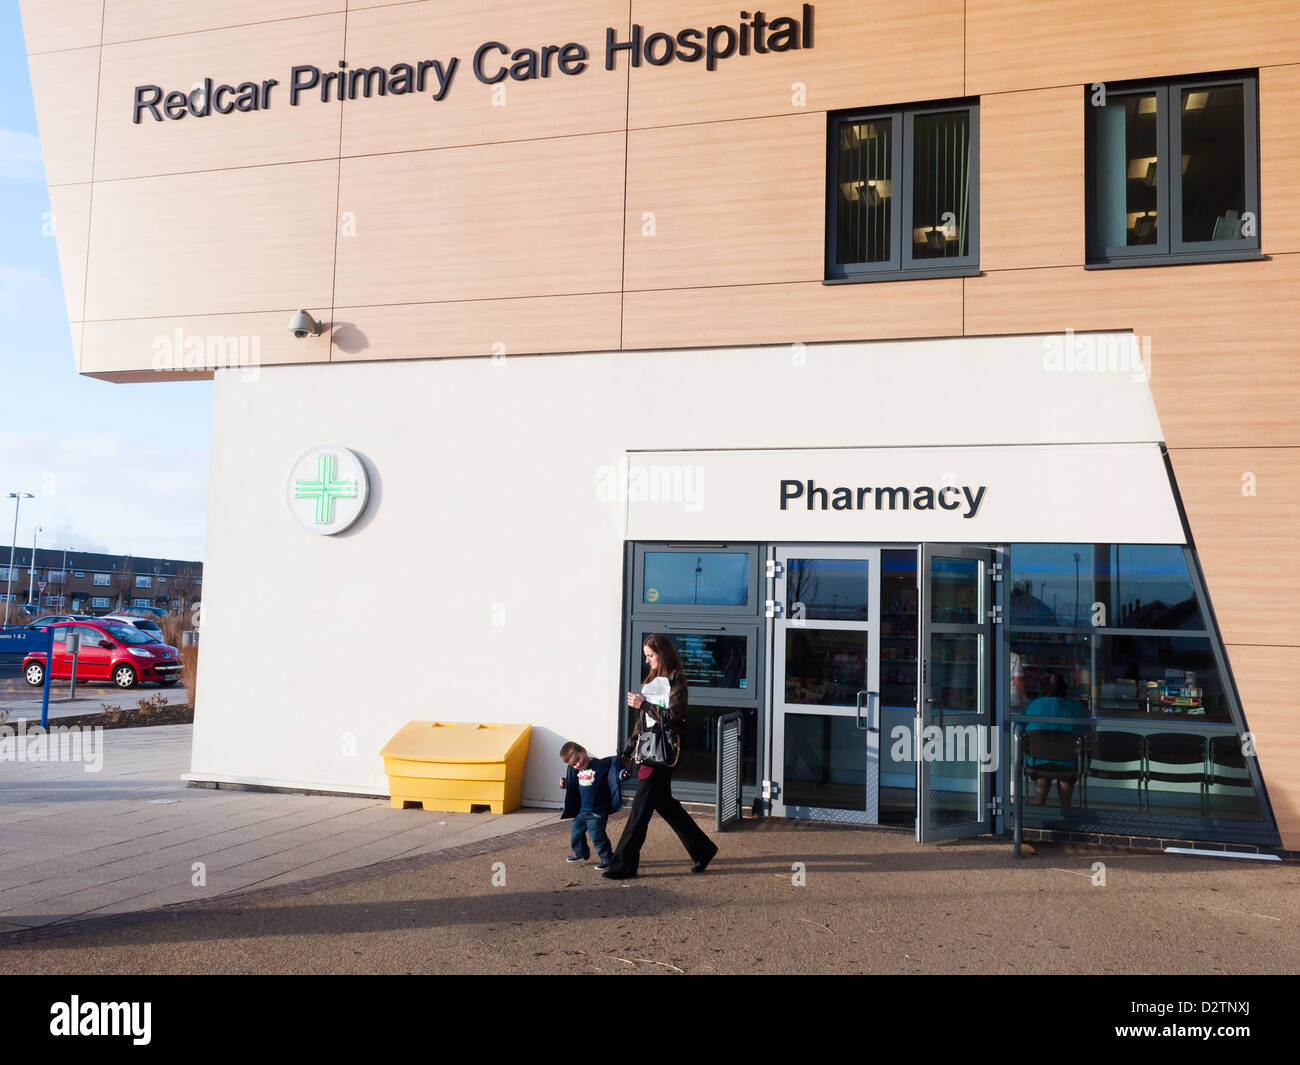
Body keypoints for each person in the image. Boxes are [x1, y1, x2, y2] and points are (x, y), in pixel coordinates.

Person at [602, 633, 718, 879]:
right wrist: (627, 749)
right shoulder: (652, 679)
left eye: (651, 656)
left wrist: (644, 704)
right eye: (646, 656)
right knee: (667, 806)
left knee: (640, 811)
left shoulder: (677, 680)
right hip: (648, 750)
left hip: (662, 753)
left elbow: (675, 717)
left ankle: (623, 864)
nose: (648, 661)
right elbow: (643, 723)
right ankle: (703, 849)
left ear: (662, 654)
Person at [1023, 670, 1085, 808]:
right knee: (1065, 772)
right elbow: (1086, 732)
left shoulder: (1034, 705)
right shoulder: (1076, 707)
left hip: (1038, 761)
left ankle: (1039, 810)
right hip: (1067, 762)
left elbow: (1020, 729)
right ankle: (1066, 811)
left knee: (1043, 772)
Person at [558, 741, 622, 869]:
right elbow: (575, 784)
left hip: (597, 811)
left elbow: (613, 772)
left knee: (597, 836)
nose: (578, 764)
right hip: (583, 810)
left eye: (578, 759)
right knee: (576, 830)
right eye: (574, 764)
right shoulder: (577, 771)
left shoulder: (600, 764)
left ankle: (607, 858)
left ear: (583, 750)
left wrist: (622, 774)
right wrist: (565, 784)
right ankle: (580, 852)